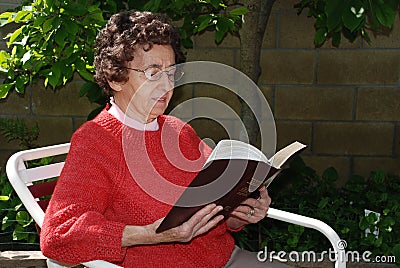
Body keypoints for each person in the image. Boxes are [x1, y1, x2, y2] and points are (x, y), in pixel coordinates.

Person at [40, 11, 288, 268]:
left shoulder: (178, 131)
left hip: (223, 258)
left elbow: (214, 209)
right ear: (115, 77)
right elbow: (58, 236)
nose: (166, 85)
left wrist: (242, 213)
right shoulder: (97, 142)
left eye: (171, 73)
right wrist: (149, 234)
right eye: (152, 73)